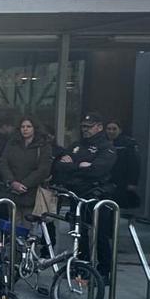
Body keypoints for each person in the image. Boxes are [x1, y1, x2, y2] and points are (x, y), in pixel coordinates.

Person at [53, 112, 118, 276]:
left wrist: (75, 166)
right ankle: (82, 268)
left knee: (100, 235)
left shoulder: (106, 147)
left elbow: (97, 170)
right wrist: (79, 166)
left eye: (89, 127)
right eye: (83, 126)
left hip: (97, 195)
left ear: (99, 127)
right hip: (77, 195)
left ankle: (104, 271)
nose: (85, 130)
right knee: (78, 234)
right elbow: (60, 166)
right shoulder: (77, 145)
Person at [0, 117, 53, 228]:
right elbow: (3, 162)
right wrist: (13, 182)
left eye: (28, 126)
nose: (25, 129)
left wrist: (25, 184)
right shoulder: (12, 143)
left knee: (29, 229)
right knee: (14, 229)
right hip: (12, 192)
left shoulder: (43, 145)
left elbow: (43, 169)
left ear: (34, 128)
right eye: (22, 127)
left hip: (32, 194)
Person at [106, 120, 141, 211]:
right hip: (106, 180)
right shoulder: (103, 142)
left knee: (120, 206)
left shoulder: (128, 143)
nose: (111, 131)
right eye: (109, 129)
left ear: (120, 130)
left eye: (114, 129)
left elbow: (134, 164)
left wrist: (132, 182)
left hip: (122, 180)